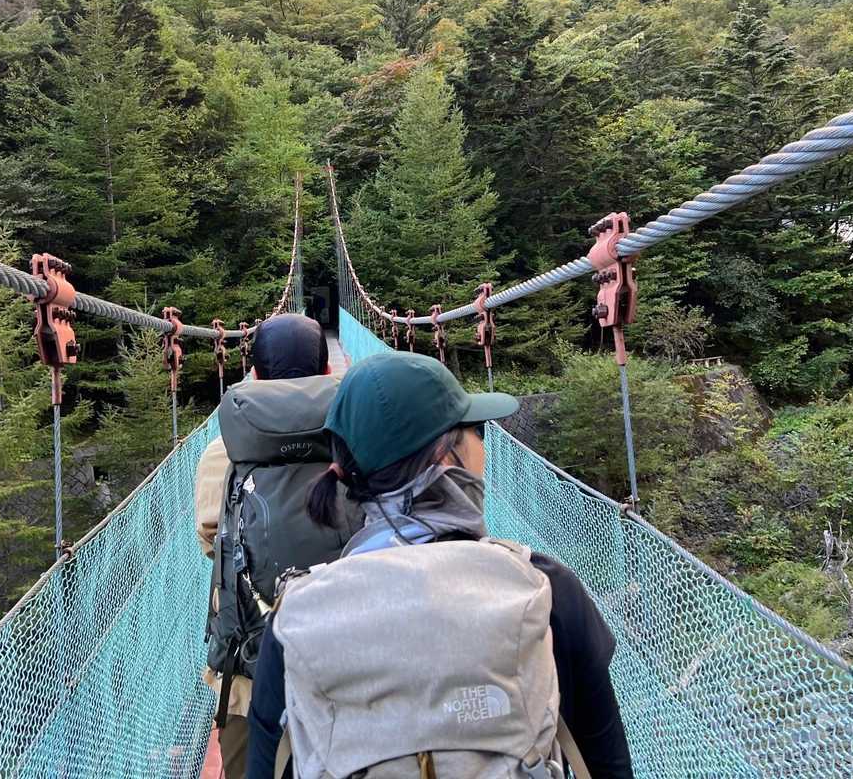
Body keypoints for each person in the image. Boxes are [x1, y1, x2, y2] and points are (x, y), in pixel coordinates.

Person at [247, 350, 634, 779]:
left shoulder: (295, 619)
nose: (483, 447)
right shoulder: (544, 588)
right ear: (446, 457)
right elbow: (607, 763)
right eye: (475, 432)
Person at [194, 313, 359, 779]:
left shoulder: (224, 449)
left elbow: (211, 539)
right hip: (353, 666)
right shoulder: (361, 431)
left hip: (252, 663)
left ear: (255, 374)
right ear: (328, 370)